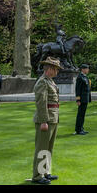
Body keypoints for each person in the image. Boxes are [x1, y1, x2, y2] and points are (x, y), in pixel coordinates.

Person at [32, 57, 62, 185]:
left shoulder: (50, 81)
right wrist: (44, 121)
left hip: (52, 118)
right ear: (50, 69)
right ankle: (38, 176)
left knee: (49, 148)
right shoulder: (42, 82)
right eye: (56, 69)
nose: (57, 72)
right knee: (42, 148)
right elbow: (41, 103)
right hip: (46, 119)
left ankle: (45, 172)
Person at [75, 64, 91, 135]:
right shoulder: (80, 77)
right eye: (87, 69)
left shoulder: (85, 77)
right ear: (83, 69)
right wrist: (78, 100)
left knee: (83, 114)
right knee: (80, 115)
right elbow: (78, 89)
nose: (88, 70)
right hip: (81, 99)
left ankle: (81, 128)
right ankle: (78, 129)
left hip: (85, 99)